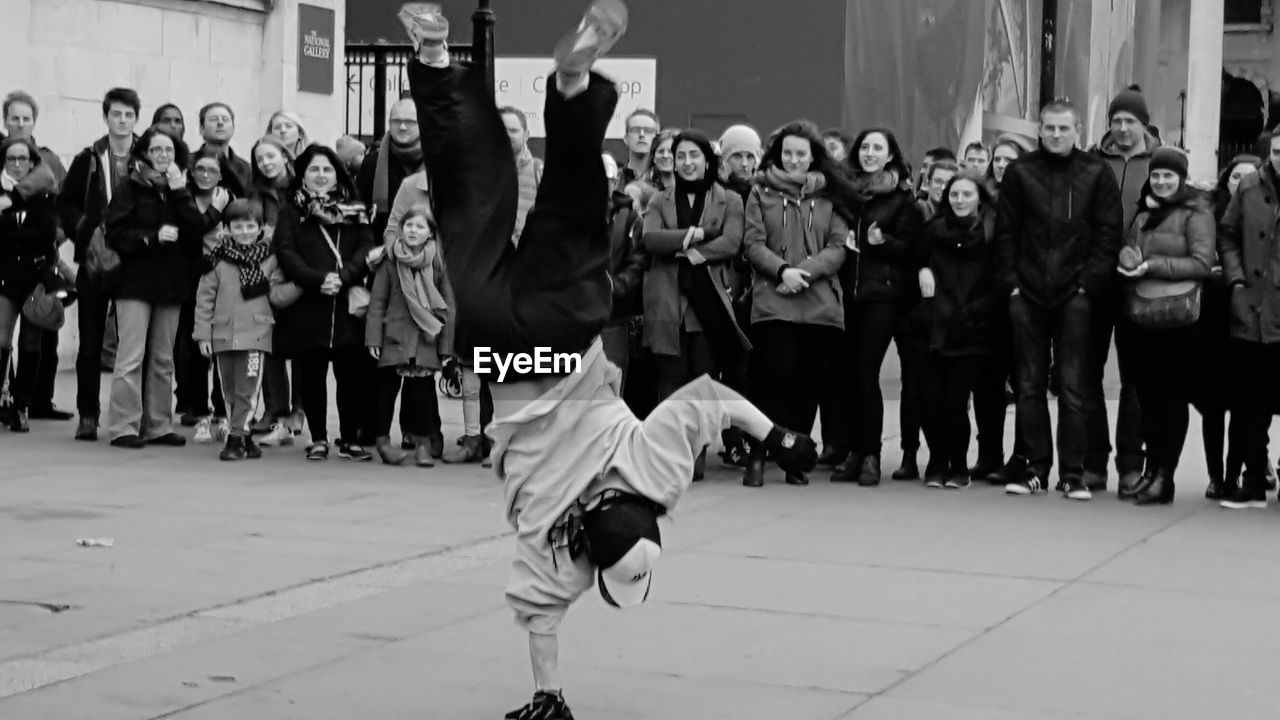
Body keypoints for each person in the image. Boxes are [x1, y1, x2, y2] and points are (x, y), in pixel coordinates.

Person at [400, 4, 816, 717]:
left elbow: (712, 395)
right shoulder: (558, 545)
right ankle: (437, 61)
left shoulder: (653, 476)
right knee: (467, 198)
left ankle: (572, 93)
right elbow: (541, 620)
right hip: (500, 351)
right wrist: (548, 696)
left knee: (567, 206)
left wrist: (778, 437)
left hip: (567, 336)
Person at [995, 99, 1123, 500]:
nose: (1055, 135)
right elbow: (1005, 234)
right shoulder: (1020, 173)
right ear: (1039, 130)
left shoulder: (1096, 172)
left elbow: (1108, 234)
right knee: (1028, 385)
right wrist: (1012, 284)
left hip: (1077, 294)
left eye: (1063, 129)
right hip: (1026, 293)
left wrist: (1088, 284)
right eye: (1049, 128)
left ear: (1077, 130)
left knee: (1073, 386)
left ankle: (1073, 472)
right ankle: (1035, 467)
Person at [741, 120, 848, 487]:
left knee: (808, 385)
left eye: (801, 153)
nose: (793, 159)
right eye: (787, 152)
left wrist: (802, 273)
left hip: (820, 305)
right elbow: (753, 244)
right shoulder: (759, 192)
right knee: (772, 382)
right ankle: (758, 454)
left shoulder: (830, 195)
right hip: (773, 301)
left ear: (813, 156)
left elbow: (837, 247)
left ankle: (794, 459)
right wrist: (782, 271)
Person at [1114, 148, 1213, 505]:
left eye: (1168, 176)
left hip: (1178, 321)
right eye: (1156, 175)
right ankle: (1151, 470)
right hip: (1142, 317)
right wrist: (1128, 263)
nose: (1161, 181)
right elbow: (1132, 252)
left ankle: (1165, 477)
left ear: (1181, 178)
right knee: (1149, 399)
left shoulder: (1196, 214)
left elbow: (1203, 263)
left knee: (1171, 400)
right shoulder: (1144, 214)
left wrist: (1152, 265)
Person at [830, 127, 923, 486]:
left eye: (877, 148)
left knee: (866, 374)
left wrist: (880, 243)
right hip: (845, 296)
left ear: (890, 156)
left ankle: (871, 454)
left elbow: (911, 251)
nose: (869, 153)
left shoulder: (902, 199)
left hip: (882, 297)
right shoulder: (846, 195)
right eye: (865, 147)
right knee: (848, 376)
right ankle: (853, 450)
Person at [273, 145, 377, 462]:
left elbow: (366, 248)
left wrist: (343, 277)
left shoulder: (354, 208)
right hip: (309, 304)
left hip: (345, 305)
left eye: (327, 169)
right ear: (303, 175)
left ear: (336, 175)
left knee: (351, 378)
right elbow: (286, 252)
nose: (321, 175)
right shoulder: (291, 210)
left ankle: (349, 438)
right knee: (312, 377)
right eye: (314, 170)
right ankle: (318, 438)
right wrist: (318, 278)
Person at [103, 126, 204, 448]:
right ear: (144, 153)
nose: (163, 156)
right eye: (157, 150)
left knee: (163, 358)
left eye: (169, 151)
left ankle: (158, 425)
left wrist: (180, 192)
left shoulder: (178, 189)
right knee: (131, 357)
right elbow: (115, 233)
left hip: (171, 282)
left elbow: (196, 231)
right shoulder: (129, 187)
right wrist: (150, 238)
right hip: (135, 282)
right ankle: (123, 427)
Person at [1086, 85, 1161, 495]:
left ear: (1144, 124)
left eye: (1129, 120)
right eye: (1115, 120)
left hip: (1141, 282)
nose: (1121, 127)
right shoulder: (1093, 161)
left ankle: (1131, 464)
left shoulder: (1164, 161)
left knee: (1135, 380)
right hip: (1097, 280)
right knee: (1087, 374)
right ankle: (1094, 461)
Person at [905, 171, 999, 488]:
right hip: (930, 327)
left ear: (980, 199)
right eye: (954, 194)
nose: (959, 200)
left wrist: (972, 313)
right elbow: (913, 263)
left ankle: (958, 465)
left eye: (966, 194)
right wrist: (922, 273)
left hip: (972, 331)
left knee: (954, 403)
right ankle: (936, 461)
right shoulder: (932, 230)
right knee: (929, 402)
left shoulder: (991, 234)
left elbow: (999, 283)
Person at [60, 87, 141, 442]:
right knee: (91, 342)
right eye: (116, 114)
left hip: (133, 260)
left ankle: (130, 418)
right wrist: (84, 230)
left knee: (133, 344)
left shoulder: (146, 156)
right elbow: (65, 204)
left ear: (136, 118)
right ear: (106, 117)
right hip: (94, 260)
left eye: (128, 115)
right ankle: (88, 414)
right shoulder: (89, 158)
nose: (122, 121)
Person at [193, 199, 291, 461]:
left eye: (250, 226)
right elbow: (204, 300)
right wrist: (202, 334)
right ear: (226, 228)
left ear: (260, 229)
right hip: (222, 334)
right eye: (238, 226)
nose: (244, 231)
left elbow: (280, 289)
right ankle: (246, 438)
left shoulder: (271, 259)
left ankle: (235, 438)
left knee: (247, 390)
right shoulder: (216, 261)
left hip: (256, 335)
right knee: (229, 391)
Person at [1217, 128, 1280, 511]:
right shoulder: (1250, 186)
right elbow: (1227, 234)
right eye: (1276, 151)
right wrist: (1236, 280)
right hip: (1252, 306)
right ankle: (1253, 479)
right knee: (1248, 400)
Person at [366, 204, 453, 466]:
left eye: (420, 226)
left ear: (430, 233)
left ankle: (423, 445)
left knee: (422, 395)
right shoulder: (391, 260)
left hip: (426, 337)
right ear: (401, 228)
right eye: (409, 225)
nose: (413, 230)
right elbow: (377, 301)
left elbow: (448, 305)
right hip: (395, 335)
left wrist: (446, 346)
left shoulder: (437, 261)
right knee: (387, 393)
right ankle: (382, 443)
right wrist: (373, 338)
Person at [4, 91, 71, 424]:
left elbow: (64, 205)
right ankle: (9, 398)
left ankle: (34, 401)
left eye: (26, 118)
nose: (20, 124)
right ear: (5, 121)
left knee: (41, 333)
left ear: (34, 121)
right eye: (14, 118)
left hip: (40, 264)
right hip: (5, 264)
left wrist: (55, 234)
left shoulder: (48, 160)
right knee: (3, 336)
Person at [0, 136, 60, 432]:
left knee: (30, 343)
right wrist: (20, 224)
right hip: (4, 276)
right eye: (11, 159)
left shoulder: (44, 194)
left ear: (32, 163)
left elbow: (45, 234)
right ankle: (3, 401)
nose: (17, 164)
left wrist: (12, 225)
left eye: (23, 159)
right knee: (1, 341)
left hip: (35, 278)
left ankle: (21, 405)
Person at [357, 98, 424, 240]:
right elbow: (361, 209)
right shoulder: (373, 162)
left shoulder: (436, 160)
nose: (402, 127)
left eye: (410, 122)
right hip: (383, 244)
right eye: (396, 121)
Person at [193, 102, 253, 191]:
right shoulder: (189, 163)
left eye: (225, 119)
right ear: (201, 129)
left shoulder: (246, 169)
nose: (220, 123)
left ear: (233, 128)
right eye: (213, 119)